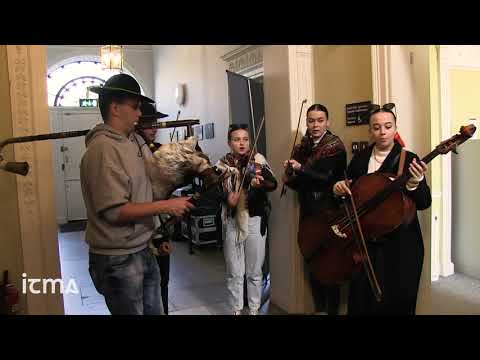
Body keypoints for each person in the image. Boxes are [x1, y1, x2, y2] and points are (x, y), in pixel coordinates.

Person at [80, 73, 194, 315]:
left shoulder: (132, 142)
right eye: (135, 107)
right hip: (117, 259)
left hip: (142, 248)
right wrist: (167, 206)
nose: (140, 114)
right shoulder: (103, 150)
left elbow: (150, 186)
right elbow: (115, 211)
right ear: (115, 108)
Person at [333, 103, 431, 315]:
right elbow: (350, 197)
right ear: (370, 130)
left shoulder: (409, 159)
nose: (382, 131)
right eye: (376, 127)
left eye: (388, 126)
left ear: (395, 128)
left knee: (396, 304)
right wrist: (339, 188)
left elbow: (424, 202)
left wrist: (415, 183)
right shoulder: (359, 160)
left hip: (401, 247)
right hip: (367, 244)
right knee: (363, 302)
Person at [282, 103, 347, 315]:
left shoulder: (335, 146)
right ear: (306, 122)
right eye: (311, 120)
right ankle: (319, 309)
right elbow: (296, 183)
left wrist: (301, 169)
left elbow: (328, 179)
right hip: (308, 210)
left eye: (320, 120)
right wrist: (289, 174)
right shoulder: (304, 145)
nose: (315, 125)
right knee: (311, 259)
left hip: (328, 210)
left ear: (327, 122)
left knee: (330, 264)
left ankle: (331, 311)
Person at [216, 123, 277, 315]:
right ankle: (235, 309)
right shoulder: (221, 165)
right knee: (234, 272)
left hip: (254, 220)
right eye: (236, 139)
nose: (241, 143)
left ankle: (253, 310)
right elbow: (212, 192)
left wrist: (260, 184)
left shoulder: (256, 160)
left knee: (254, 271)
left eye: (245, 139)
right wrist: (227, 197)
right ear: (229, 142)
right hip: (231, 221)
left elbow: (273, 183)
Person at [135, 102, 172, 315]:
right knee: (141, 285)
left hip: (160, 225)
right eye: (148, 124)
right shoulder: (133, 153)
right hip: (140, 228)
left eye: (155, 123)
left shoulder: (160, 152)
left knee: (162, 279)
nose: (154, 128)